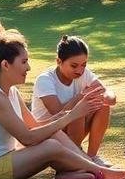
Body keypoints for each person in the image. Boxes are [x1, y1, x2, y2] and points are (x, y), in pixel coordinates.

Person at [0, 24, 125, 179]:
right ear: (5, 65)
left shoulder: (10, 92)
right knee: (51, 146)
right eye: (24, 62)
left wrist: (63, 117)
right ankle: (99, 171)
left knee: (53, 134)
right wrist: (72, 115)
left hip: (1, 160)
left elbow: (35, 126)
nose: (28, 67)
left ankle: (79, 169)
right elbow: (27, 138)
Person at [31, 36, 116, 166]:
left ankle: (92, 157)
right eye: (74, 66)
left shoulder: (84, 73)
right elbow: (58, 113)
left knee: (102, 105)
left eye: (84, 65)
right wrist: (81, 97)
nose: (80, 70)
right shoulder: (45, 80)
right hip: (47, 134)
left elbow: (110, 96)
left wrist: (103, 97)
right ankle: (77, 159)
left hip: (70, 129)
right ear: (59, 61)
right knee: (79, 109)